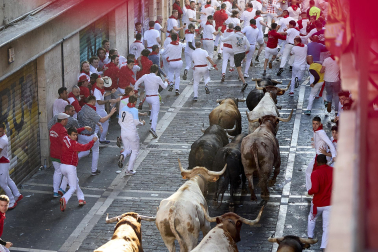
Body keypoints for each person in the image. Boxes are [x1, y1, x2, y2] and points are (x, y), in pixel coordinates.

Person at [49, 112, 91, 197]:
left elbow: (70, 133)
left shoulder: (53, 128)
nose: (68, 120)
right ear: (63, 120)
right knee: (66, 172)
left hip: (53, 153)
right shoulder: (62, 130)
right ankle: (62, 189)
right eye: (66, 119)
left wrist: (82, 128)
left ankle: (55, 191)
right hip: (61, 154)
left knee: (57, 172)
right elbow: (68, 137)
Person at [59, 127, 97, 212]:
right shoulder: (74, 144)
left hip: (62, 166)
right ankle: (64, 198)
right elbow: (85, 147)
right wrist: (93, 141)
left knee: (75, 182)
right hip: (70, 167)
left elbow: (74, 131)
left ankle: (81, 199)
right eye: (73, 135)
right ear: (69, 135)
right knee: (72, 187)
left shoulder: (65, 138)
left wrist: (83, 128)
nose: (75, 136)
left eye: (76, 135)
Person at [77, 95, 116, 175]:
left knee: (86, 151)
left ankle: (73, 159)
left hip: (81, 135)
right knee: (95, 150)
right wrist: (111, 113)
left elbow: (89, 119)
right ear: (93, 101)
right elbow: (102, 119)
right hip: (89, 135)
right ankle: (94, 170)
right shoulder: (90, 110)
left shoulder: (83, 108)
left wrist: (98, 124)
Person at [134, 65, 168, 138]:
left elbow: (137, 83)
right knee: (155, 113)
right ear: (156, 71)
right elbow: (164, 87)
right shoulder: (157, 78)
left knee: (152, 110)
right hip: (154, 97)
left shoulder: (145, 76)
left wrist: (136, 90)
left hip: (148, 97)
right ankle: (153, 128)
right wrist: (166, 82)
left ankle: (151, 119)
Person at [307, 154, 333, 251]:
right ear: (326, 161)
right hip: (330, 203)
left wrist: (309, 192)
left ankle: (310, 238)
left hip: (317, 203)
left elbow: (315, 189)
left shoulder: (315, 173)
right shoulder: (333, 171)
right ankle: (324, 246)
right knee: (327, 225)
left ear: (317, 162)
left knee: (312, 218)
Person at [306, 117, 336, 192]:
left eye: (316, 124)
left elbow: (330, 144)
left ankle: (312, 190)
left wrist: (334, 156)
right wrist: (315, 140)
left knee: (311, 172)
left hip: (322, 157)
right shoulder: (316, 132)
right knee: (311, 172)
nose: (315, 125)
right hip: (318, 156)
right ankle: (312, 189)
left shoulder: (321, 133)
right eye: (313, 123)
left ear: (320, 124)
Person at [118, 96, 146, 174]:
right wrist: (142, 123)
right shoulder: (134, 110)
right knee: (135, 151)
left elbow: (119, 122)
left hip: (123, 133)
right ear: (134, 102)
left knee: (127, 149)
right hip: (132, 133)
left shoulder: (123, 109)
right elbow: (136, 122)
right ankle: (129, 169)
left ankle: (123, 155)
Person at [0, 124, 22, 210]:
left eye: (1, 131)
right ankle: (17, 195)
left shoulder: (3, 140)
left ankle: (12, 201)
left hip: (3, 163)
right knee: (8, 179)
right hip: (3, 163)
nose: (0, 133)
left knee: (2, 183)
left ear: (4, 130)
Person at [221, 25, 249, 92]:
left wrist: (221, 35)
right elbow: (248, 46)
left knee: (238, 69)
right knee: (240, 66)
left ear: (235, 30)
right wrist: (245, 51)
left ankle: (244, 82)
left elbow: (223, 40)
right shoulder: (244, 37)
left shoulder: (233, 35)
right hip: (242, 53)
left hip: (237, 54)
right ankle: (241, 77)